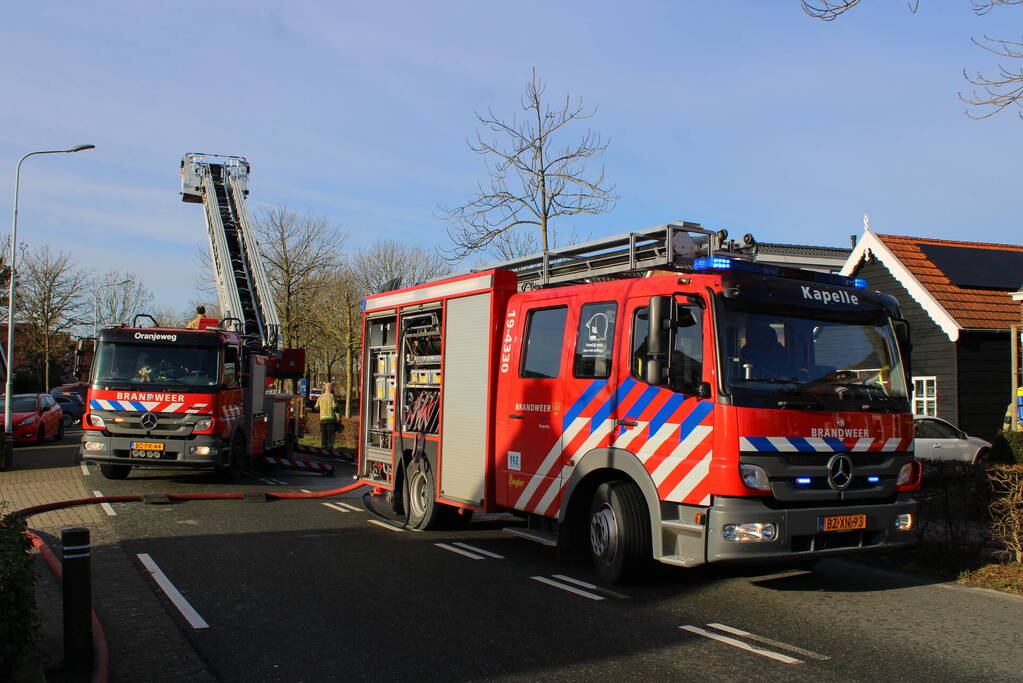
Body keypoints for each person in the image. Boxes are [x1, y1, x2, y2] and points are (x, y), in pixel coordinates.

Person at [315, 382, 343, 449]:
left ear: (325, 388)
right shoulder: (332, 397)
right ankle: (330, 450)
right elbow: (335, 408)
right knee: (330, 436)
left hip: (322, 420)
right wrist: (339, 418)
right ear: (330, 388)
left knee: (323, 435)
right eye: (332, 387)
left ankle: (323, 449)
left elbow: (316, 407)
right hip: (331, 420)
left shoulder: (320, 397)